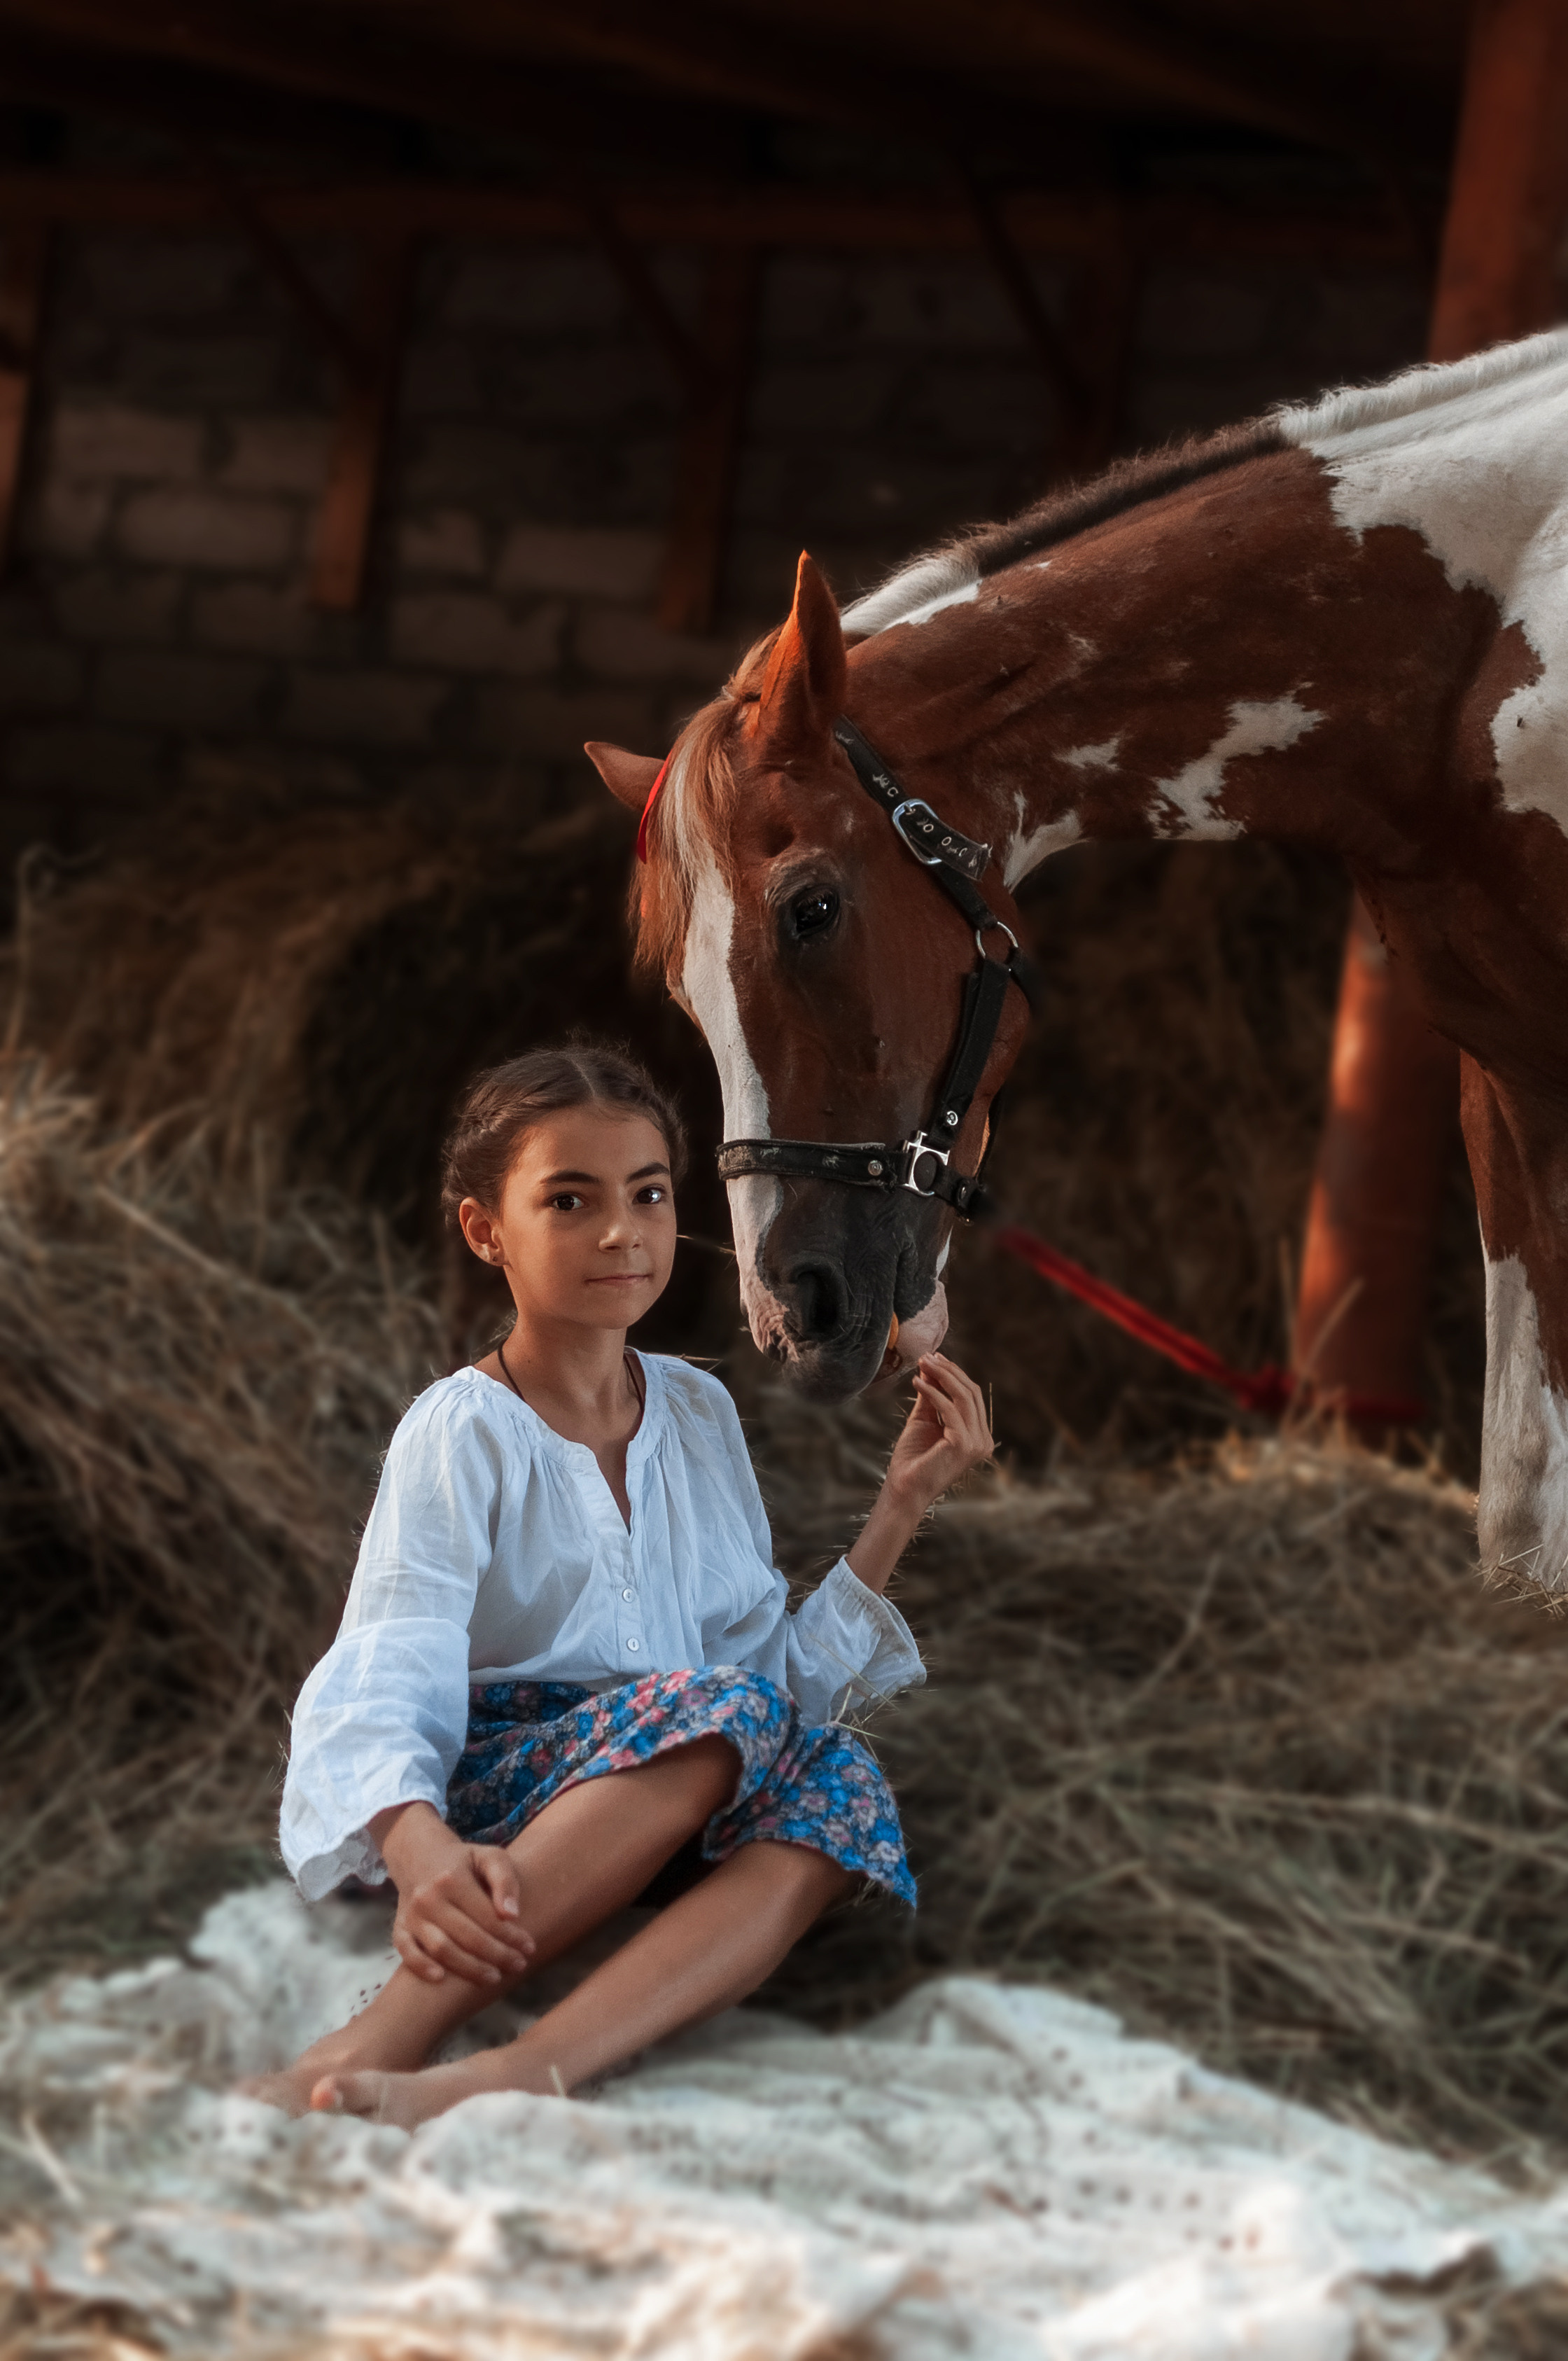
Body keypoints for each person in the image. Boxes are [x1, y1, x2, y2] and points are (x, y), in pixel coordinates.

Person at [248, 1040, 992, 2130]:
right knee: (719, 1713)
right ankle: (382, 2034)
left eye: (647, 1195)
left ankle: (519, 2073)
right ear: (485, 1231)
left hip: (677, 1772)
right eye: (569, 1200)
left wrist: (900, 1509)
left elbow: (759, 1684)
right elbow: (388, 1655)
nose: (621, 1231)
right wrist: (416, 1847)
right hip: (497, 1793)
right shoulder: (462, 1429)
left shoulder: (697, 1413)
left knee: (840, 1782)